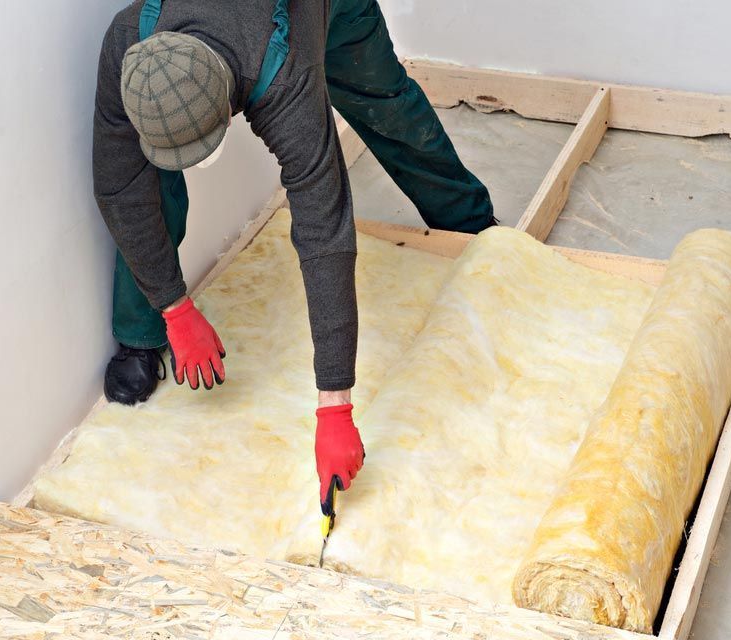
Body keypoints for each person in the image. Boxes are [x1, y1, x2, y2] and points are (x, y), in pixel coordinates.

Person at [92, 0, 495, 509]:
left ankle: (471, 223)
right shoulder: (129, 46)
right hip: (213, 41)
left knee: (387, 106)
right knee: (150, 181)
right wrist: (175, 307)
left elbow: (323, 229)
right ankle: (143, 330)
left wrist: (335, 406)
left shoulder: (284, 73)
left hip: (322, 9)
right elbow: (119, 187)